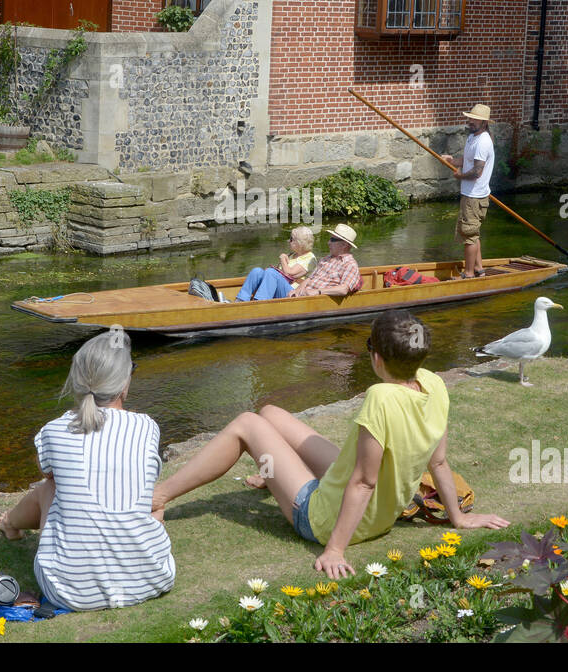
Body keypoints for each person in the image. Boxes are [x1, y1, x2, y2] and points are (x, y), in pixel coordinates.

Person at [149, 310, 509, 577]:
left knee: (246, 424)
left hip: (322, 518)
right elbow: (440, 463)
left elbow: (364, 481)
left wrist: (334, 549)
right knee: (270, 413)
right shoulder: (434, 383)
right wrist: (458, 518)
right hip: (378, 516)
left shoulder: (381, 396)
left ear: (377, 357)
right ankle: (271, 473)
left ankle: (159, 496)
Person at [0, 329, 175, 610]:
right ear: (124, 383)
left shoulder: (53, 431)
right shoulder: (147, 426)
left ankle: (10, 524)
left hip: (69, 593)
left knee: (51, 488)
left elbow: (48, 476)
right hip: (152, 579)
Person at [440, 103, 494, 279]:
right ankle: (479, 269)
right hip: (470, 195)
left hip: (475, 196)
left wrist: (460, 176)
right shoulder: (473, 137)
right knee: (472, 232)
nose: (471, 121)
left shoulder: (483, 142)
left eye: (475, 119)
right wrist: (453, 161)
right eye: (470, 118)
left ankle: (469, 274)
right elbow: (467, 159)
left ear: (484, 123)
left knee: (469, 235)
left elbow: (477, 172)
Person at [234, 226, 316, 301]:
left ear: (299, 242)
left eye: (291, 239)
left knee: (271, 272)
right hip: (279, 285)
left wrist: (283, 258)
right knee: (257, 272)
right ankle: (240, 300)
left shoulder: (309, 258)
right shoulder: (292, 255)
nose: (288, 241)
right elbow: (278, 273)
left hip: (292, 292)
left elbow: (290, 274)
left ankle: (260, 303)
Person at [288, 223, 362, 298]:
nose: (328, 242)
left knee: (275, 276)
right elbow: (310, 279)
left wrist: (318, 292)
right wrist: (296, 291)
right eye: (330, 239)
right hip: (303, 296)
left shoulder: (350, 264)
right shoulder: (325, 259)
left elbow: (344, 289)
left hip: (317, 301)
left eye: (333, 240)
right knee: (275, 275)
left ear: (344, 245)